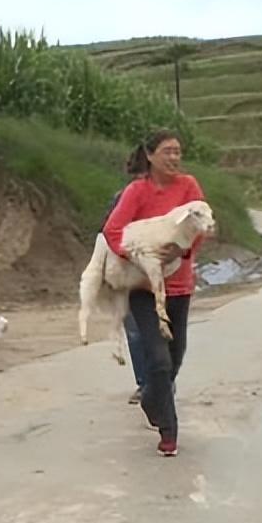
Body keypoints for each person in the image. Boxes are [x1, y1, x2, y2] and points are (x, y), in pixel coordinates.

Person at [101, 130, 206, 457]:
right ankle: (168, 430)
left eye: (177, 152)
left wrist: (183, 253)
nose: (174, 158)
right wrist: (133, 255)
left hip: (179, 285)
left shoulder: (188, 187)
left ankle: (150, 396)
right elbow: (112, 230)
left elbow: (201, 224)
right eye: (167, 152)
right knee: (158, 360)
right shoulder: (137, 191)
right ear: (150, 155)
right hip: (143, 287)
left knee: (175, 356)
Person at [102, 187, 149, 404]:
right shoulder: (121, 199)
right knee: (135, 331)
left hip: (159, 275)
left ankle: (162, 380)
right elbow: (109, 234)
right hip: (128, 273)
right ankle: (144, 384)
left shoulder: (169, 200)